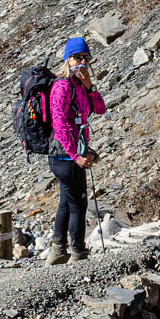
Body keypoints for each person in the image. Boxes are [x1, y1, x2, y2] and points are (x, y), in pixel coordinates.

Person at [45, 37, 106, 266]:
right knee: (78, 203)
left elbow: (100, 109)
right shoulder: (61, 86)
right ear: (67, 59)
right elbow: (59, 124)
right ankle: (78, 253)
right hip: (64, 155)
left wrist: (90, 86)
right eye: (76, 57)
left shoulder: (81, 86)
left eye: (85, 58)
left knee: (66, 201)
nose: (81, 61)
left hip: (72, 153)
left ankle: (58, 250)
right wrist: (76, 156)